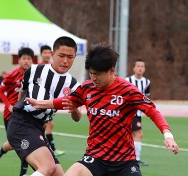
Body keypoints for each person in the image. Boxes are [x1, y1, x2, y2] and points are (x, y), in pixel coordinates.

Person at [25, 42, 179, 176]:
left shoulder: (128, 90)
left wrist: (168, 135)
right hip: (95, 158)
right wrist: (40, 103)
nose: (93, 78)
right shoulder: (87, 88)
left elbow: (152, 111)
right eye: (90, 74)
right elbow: (68, 101)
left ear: (111, 70)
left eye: (97, 74)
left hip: (124, 161)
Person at [7, 36, 82, 176]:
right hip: (21, 123)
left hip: (39, 128)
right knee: (47, 167)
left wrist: (74, 108)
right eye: (61, 55)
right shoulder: (34, 70)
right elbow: (21, 95)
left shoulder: (73, 84)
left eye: (70, 57)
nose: (65, 61)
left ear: (75, 57)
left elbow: (77, 117)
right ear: (53, 54)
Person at [0, 47, 34, 176]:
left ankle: (23, 173)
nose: (26, 61)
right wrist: (9, 105)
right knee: (15, 145)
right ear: (19, 60)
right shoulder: (11, 75)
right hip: (10, 115)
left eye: (29, 59)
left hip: (27, 115)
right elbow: (0, 91)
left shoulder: (34, 75)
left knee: (26, 144)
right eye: (24, 58)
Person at [39, 45, 65, 157]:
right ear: (41, 54)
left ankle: (48, 148)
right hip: (41, 100)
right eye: (44, 53)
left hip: (50, 100)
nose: (46, 55)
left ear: (51, 53)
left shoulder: (52, 67)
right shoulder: (38, 68)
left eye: (48, 53)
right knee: (48, 124)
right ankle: (51, 149)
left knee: (48, 124)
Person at [125, 59, 150, 166]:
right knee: (139, 133)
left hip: (138, 114)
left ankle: (129, 158)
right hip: (129, 112)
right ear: (133, 68)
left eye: (142, 66)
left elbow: (146, 97)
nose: (140, 68)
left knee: (130, 135)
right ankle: (136, 159)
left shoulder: (147, 82)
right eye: (138, 66)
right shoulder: (127, 80)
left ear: (144, 69)